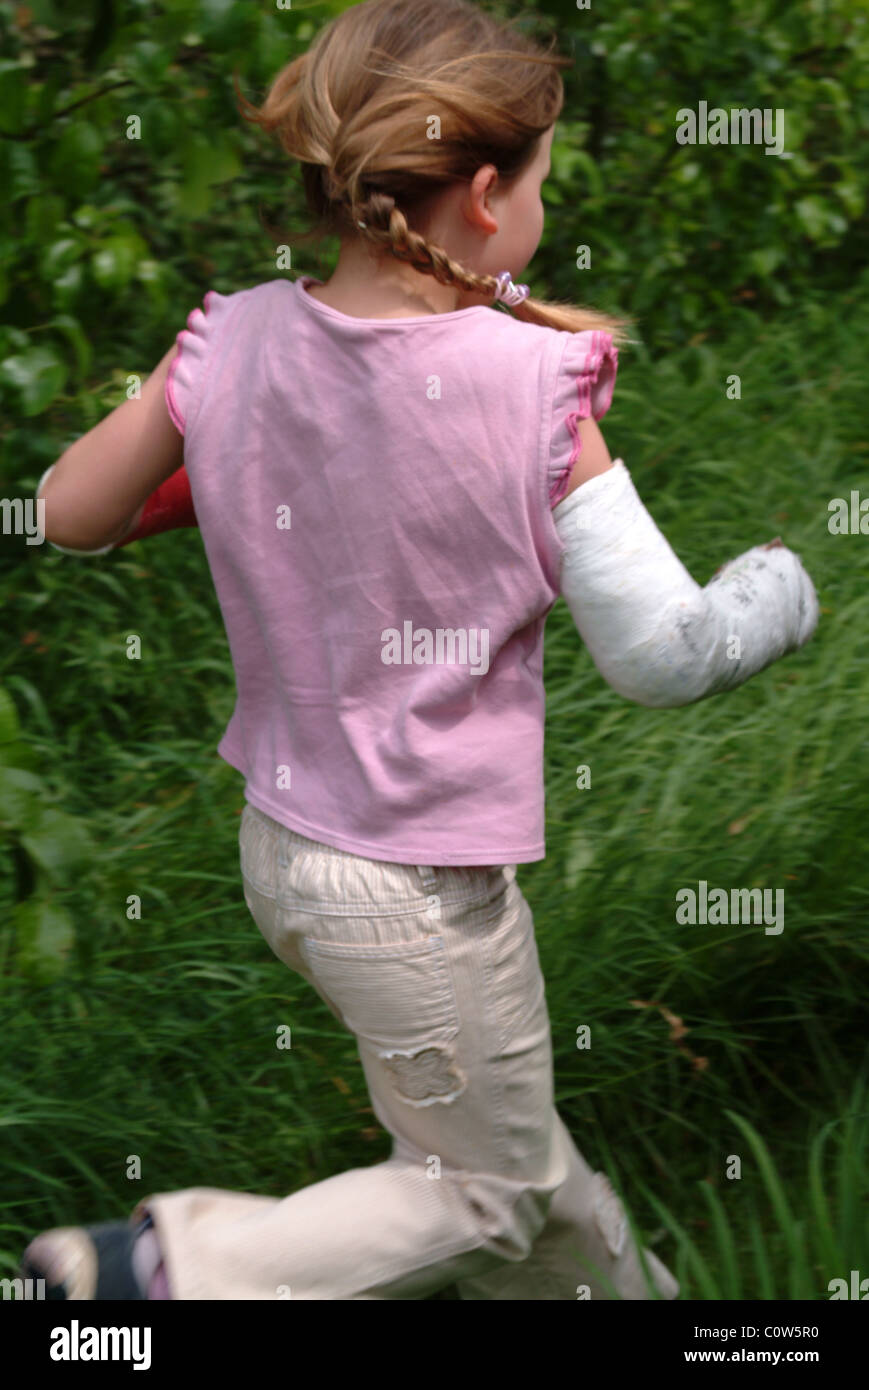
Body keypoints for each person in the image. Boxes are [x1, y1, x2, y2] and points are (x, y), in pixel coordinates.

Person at [23, 0, 818, 1301]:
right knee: (485, 1193)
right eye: (545, 179)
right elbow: (665, 656)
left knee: (531, 1185)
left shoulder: (233, 342)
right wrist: (777, 590)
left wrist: (197, 408)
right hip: (415, 893)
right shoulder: (533, 389)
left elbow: (66, 515)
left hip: (285, 854)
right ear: (489, 195)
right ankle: (170, 1275)